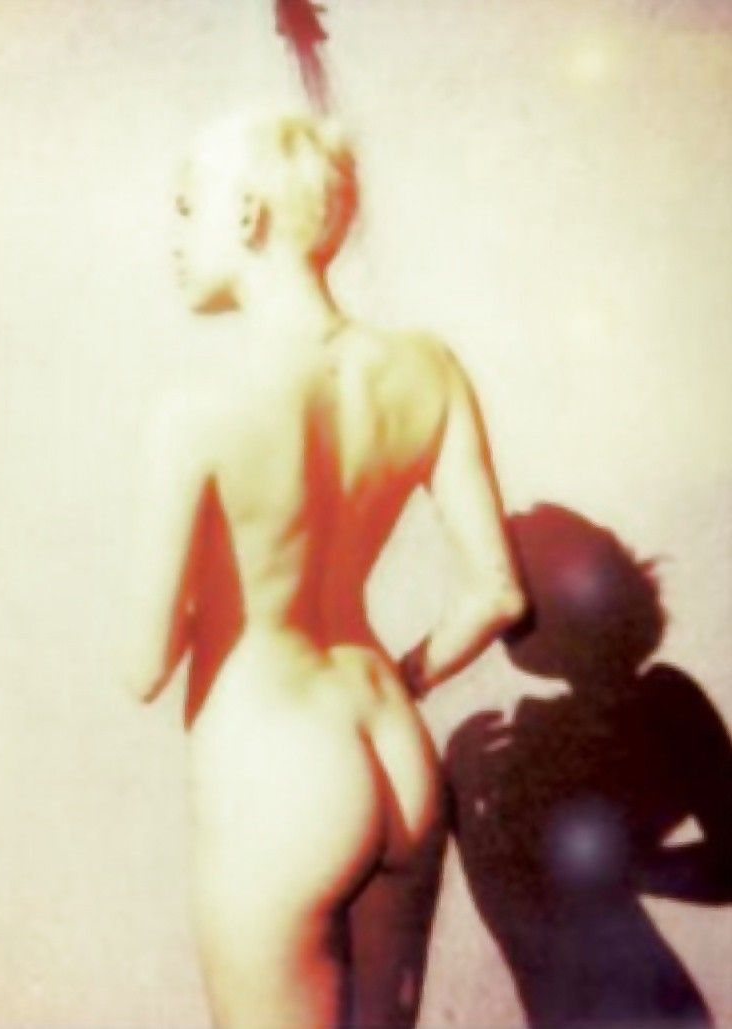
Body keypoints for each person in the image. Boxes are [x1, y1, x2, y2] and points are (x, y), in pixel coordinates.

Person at [125, 110, 526, 1028]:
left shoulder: (196, 410)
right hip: (394, 747)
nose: (174, 238)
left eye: (187, 208)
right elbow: (498, 592)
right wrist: (409, 675)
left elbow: (143, 666)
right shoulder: (429, 369)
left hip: (276, 763)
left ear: (249, 215)